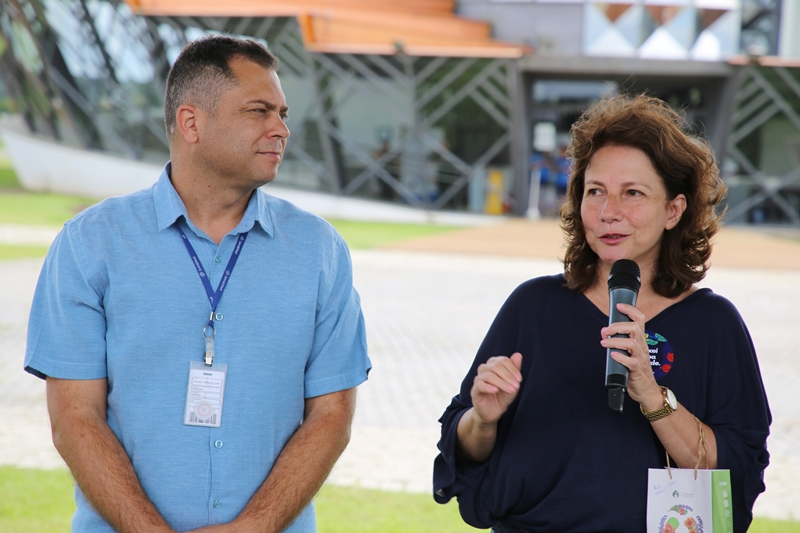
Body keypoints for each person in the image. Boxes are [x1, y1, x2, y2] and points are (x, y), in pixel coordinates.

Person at [24, 35, 371, 533]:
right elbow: (75, 419)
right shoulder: (89, 245)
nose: (282, 129)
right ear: (191, 123)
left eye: (283, 113)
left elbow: (332, 414)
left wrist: (254, 526)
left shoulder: (320, 250)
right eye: (259, 111)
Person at [433, 94, 770, 532]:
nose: (609, 212)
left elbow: (737, 467)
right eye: (595, 192)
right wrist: (482, 419)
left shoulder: (714, 324)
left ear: (673, 209)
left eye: (632, 193)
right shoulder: (533, 306)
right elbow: (465, 447)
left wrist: (653, 397)